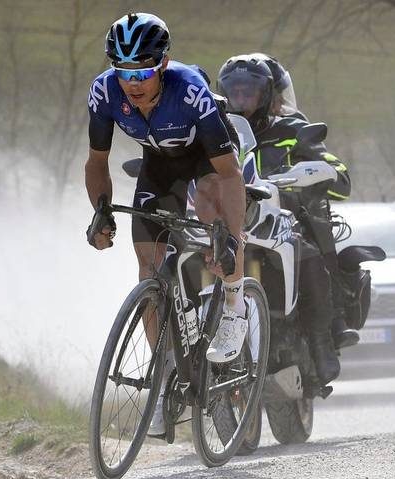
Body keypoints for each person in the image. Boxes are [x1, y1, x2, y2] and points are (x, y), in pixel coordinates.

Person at [85, 13, 248, 436]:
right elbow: (97, 161)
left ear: (161, 64)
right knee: (148, 266)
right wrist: (101, 210)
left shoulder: (190, 90)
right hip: (160, 164)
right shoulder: (104, 93)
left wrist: (230, 237)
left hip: (209, 158)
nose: (132, 82)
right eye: (123, 71)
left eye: (141, 71)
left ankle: (235, 306)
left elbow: (230, 175)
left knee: (215, 214)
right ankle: (164, 376)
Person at [216, 54, 350, 384]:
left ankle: (320, 342)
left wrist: (317, 174)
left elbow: (341, 177)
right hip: (229, 222)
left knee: (307, 252)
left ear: (268, 97)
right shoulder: (216, 131)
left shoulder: (294, 131)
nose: (242, 100)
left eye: (250, 93)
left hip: (284, 221)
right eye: (236, 93)